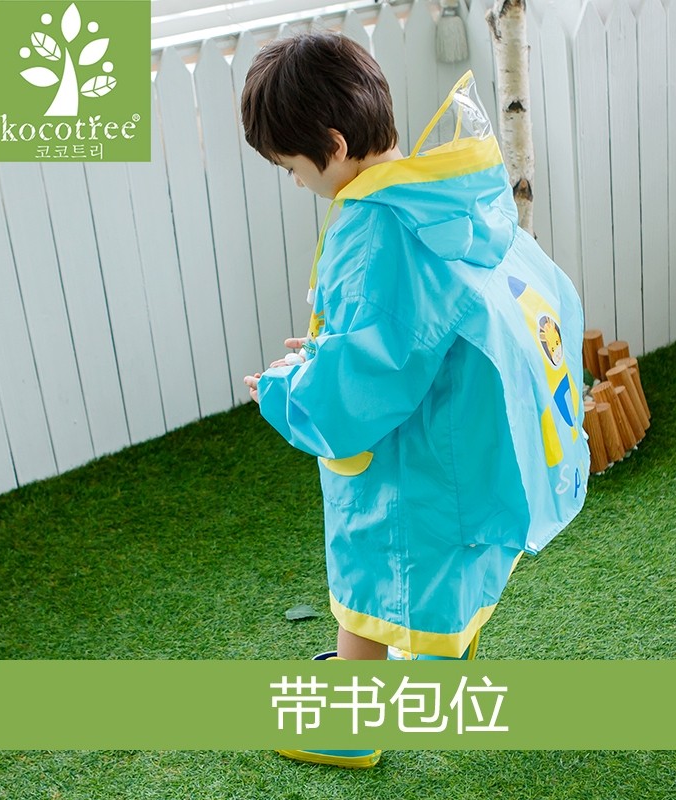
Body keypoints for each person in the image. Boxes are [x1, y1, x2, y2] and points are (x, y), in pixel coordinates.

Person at [241, 32, 589, 768]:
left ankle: (348, 727)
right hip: (455, 428)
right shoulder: (442, 192)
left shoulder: (373, 226)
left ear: (334, 146)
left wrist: (288, 390)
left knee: (366, 573)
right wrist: (330, 346)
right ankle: (440, 663)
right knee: (444, 564)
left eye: (293, 167)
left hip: (408, 451)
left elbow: (364, 380)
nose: (297, 183)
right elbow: (413, 323)